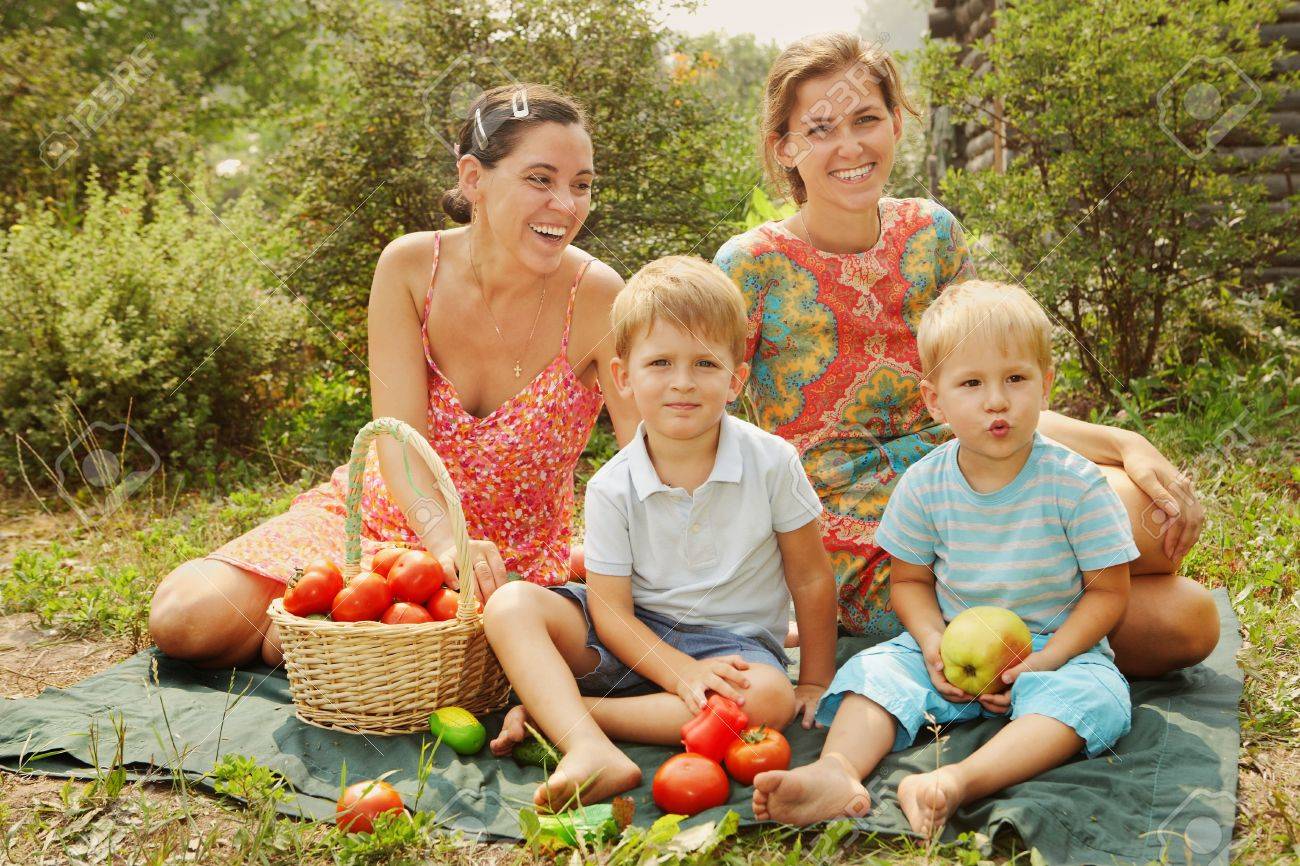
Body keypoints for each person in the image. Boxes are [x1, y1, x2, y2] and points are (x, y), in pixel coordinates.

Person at [713, 31, 1217, 676]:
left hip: (975, 465)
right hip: (852, 522)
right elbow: (702, 417)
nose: (850, 147)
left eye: (867, 119)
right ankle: (1016, 635)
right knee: (1183, 620)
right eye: (819, 129)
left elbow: (983, 396)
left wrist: (1125, 444)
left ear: (896, 124)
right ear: (784, 145)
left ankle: (1027, 636)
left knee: (1156, 521)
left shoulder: (930, 233)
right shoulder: (749, 265)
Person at [148, 84, 638, 668]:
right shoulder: (411, 267)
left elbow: (647, 457)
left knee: (400, 653)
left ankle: (316, 640)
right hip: (383, 525)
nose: (566, 205)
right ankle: (324, 633)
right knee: (183, 618)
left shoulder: (601, 295)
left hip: (509, 567)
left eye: (580, 184)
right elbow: (396, 437)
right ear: (473, 178)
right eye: (540, 179)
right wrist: (440, 540)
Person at [754, 279, 1138, 834]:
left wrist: (1047, 661)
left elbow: (1109, 592)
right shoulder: (925, 484)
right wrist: (933, 644)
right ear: (936, 401)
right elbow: (909, 581)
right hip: (951, 646)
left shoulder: (1076, 483)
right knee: (873, 670)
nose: (996, 400)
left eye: (1015, 379)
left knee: (1096, 701)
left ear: (1046, 385)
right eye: (972, 383)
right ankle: (838, 771)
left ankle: (956, 782)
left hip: (1056, 651)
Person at [482, 256, 839, 809]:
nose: (682, 383)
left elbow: (812, 579)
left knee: (770, 699)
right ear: (623, 377)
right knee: (509, 605)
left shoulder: (772, 462)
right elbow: (611, 613)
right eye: (661, 362)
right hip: (628, 634)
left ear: (735, 379)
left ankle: (574, 718)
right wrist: (678, 673)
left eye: (704, 364)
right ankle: (589, 750)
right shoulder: (611, 487)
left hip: (733, 648)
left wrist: (814, 681)